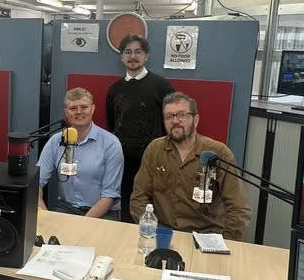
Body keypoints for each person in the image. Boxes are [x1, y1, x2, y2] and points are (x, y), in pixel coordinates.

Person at [130, 92, 251, 240]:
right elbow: (138, 198)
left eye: (182, 115)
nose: (175, 121)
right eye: (169, 116)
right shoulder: (155, 149)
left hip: (206, 236)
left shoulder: (218, 153)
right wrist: (151, 230)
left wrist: (224, 242)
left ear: (196, 120)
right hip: (162, 233)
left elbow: (239, 208)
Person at [106, 34, 174, 222]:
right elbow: (112, 124)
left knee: (157, 206)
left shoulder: (162, 86)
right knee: (127, 205)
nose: (133, 56)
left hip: (154, 159)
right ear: (122, 57)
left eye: (138, 52)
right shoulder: (114, 89)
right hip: (123, 160)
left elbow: (171, 123)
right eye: (128, 52)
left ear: (147, 56)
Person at [37, 88, 124, 220]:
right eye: (73, 108)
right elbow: (36, 183)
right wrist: (45, 216)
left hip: (103, 213)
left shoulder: (111, 144)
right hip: (67, 208)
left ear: (93, 109)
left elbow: (110, 196)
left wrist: (81, 225)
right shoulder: (55, 142)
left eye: (84, 107)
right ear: (66, 112)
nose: (79, 112)